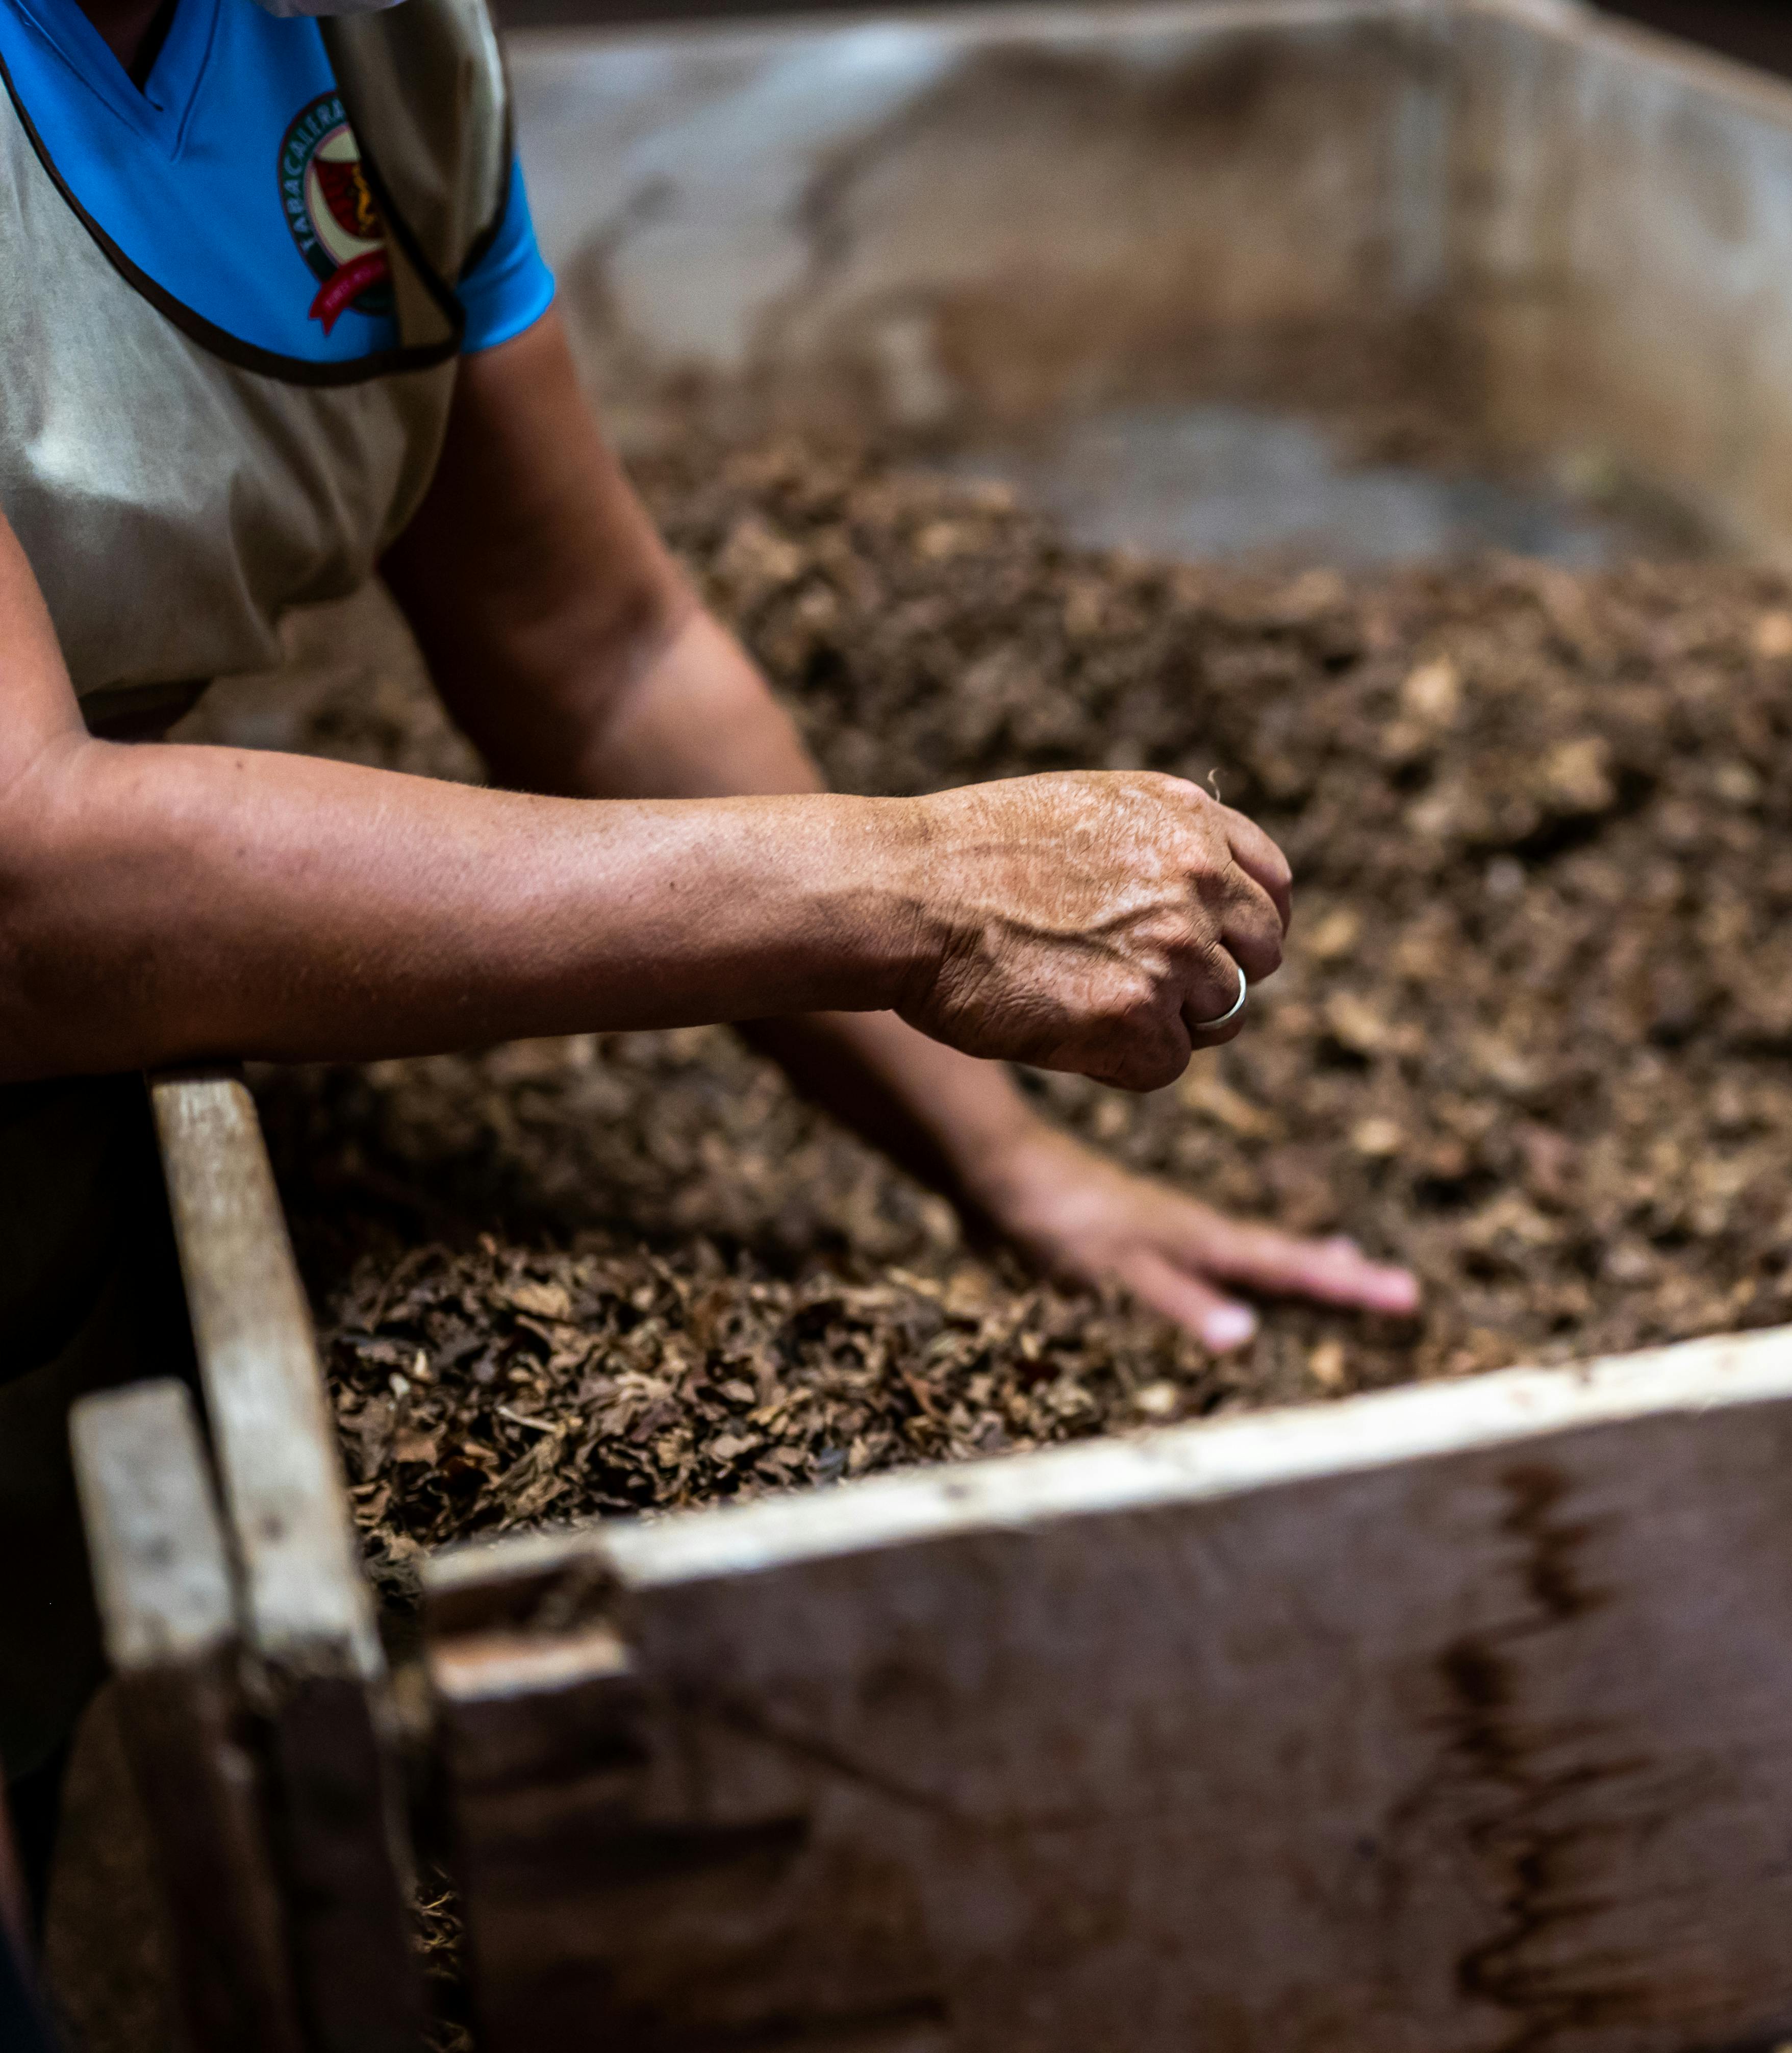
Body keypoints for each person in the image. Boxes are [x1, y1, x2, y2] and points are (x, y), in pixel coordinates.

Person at [0, 0, 1417, 1906]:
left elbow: (600, 652)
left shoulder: (375, 45)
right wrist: (907, 883)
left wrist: (1007, 1158)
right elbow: (30, 876)